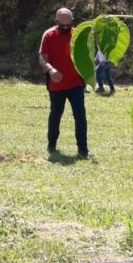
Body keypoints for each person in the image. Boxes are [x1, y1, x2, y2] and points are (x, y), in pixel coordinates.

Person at [39, 8, 89, 158]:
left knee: (80, 115)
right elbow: (42, 57)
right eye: (62, 26)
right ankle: (52, 145)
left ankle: (83, 150)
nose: (66, 28)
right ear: (56, 22)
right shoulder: (49, 35)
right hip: (57, 85)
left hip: (76, 84)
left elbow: (88, 55)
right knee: (56, 115)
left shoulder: (78, 35)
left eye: (69, 25)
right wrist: (50, 70)